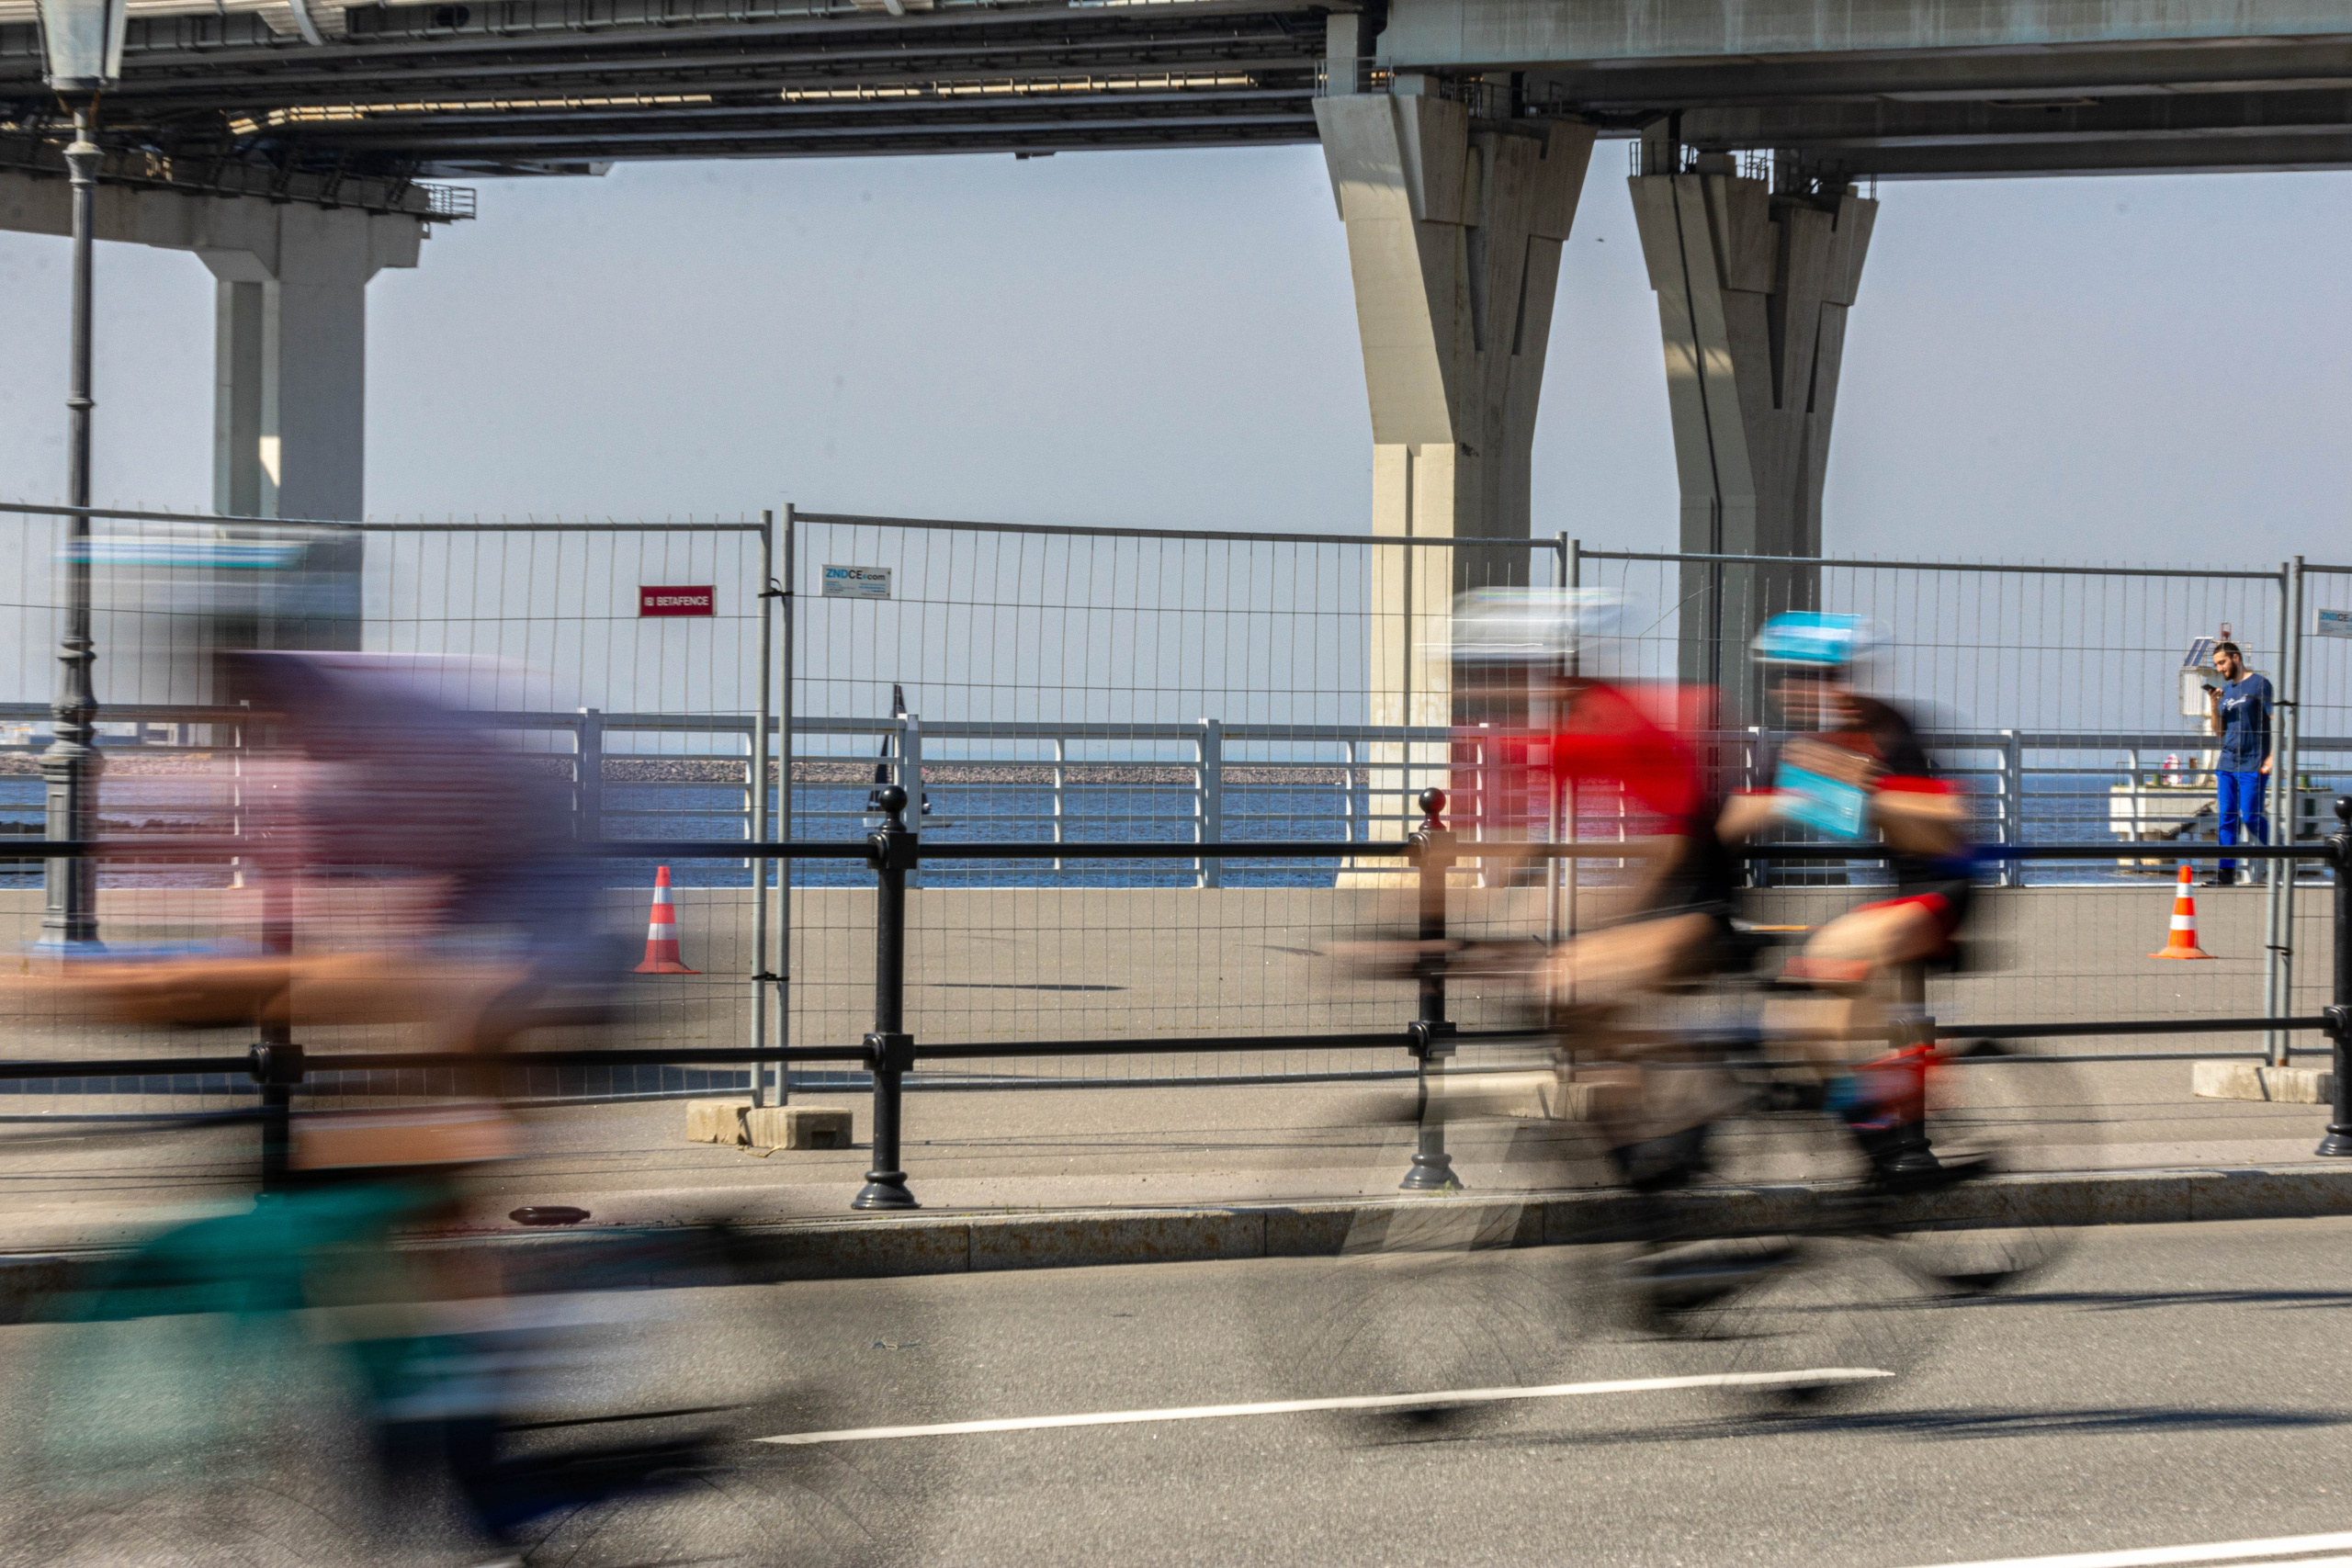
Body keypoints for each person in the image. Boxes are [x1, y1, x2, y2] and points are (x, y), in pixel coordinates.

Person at [1719, 612, 1987, 1191]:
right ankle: (1882, 1147)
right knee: (1799, 1028)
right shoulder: (1804, 744)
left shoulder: (1890, 729)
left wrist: (1868, 786)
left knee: (1822, 956)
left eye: (1802, 676)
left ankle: (1912, 1118)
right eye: (1779, 677)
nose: (1785, 690)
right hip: (1898, 895)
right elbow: (1735, 817)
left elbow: (1952, 820)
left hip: (1945, 887)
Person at [2204, 639, 2272, 887]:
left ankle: (2285, 855)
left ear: (2235, 658)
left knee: (2251, 816)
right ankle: (2226, 873)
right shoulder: (2227, 693)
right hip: (2227, 764)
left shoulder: (2260, 684)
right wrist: (2213, 704)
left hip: (2254, 763)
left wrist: (2273, 755)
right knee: (2227, 818)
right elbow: (2219, 732)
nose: (2219, 668)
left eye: (2221, 662)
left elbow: (2277, 720)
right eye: (2216, 664)